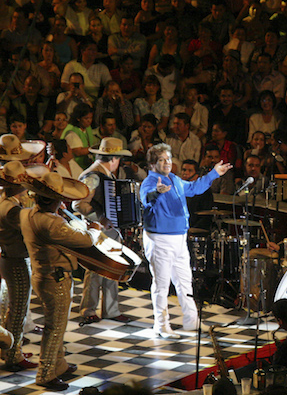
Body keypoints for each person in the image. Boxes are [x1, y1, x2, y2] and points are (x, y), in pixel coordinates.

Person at [139, 144, 232, 339]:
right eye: (162, 159)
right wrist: (157, 192)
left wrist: (214, 173)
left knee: (184, 282)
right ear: (153, 163)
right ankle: (161, 325)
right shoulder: (149, 182)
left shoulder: (174, 178)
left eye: (169, 158)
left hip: (180, 238)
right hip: (160, 239)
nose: (167, 163)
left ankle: (191, 321)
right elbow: (146, 199)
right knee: (162, 284)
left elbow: (194, 188)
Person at [20, 171, 101, 391]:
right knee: (54, 327)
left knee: (57, 323)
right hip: (54, 278)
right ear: (56, 200)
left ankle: (59, 364)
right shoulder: (52, 223)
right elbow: (83, 240)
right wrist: (94, 231)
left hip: (42, 275)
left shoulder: (27, 214)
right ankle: (45, 374)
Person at [74, 138, 133, 325]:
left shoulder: (102, 174)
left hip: (107, 230)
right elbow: (78, 203)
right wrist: (99, 219)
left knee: (111, 268)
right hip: (96, 230)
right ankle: (88, 309)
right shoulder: (93, 175)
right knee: (95, 269)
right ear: (114, 159)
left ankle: (110, 310)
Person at [0, 160, 44, 372]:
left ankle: (10, 348)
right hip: (15, 261)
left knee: (14, 309)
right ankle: (12, 355)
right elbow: (30, 226)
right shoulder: (10, 209)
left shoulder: (7, 202)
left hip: (11, 258)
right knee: (18, 310)